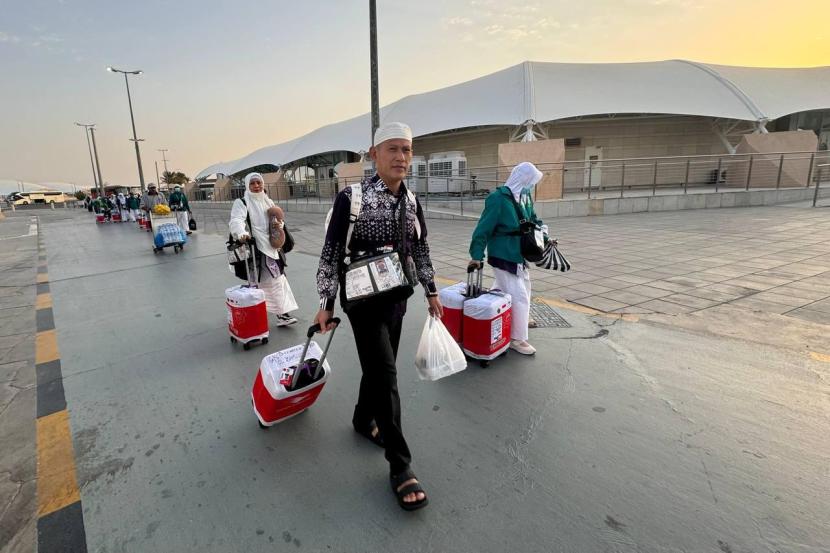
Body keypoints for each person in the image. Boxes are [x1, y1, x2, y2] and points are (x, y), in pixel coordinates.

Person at [314, 122, 443, 512]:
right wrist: (326, 301)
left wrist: (432, 290)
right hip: (362, 303)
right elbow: (331, 252)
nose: (401, 157)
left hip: (397, 300)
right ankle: (400, 466)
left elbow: (420, 250)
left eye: (407, 150)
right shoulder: (351, 199)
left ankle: (360, 419)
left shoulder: (412, 201)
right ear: (374, 154)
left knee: (377, 367)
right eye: (393, 149)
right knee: (387, 374)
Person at [468, 161, 548, 355]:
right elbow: (483, 228)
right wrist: (476, 255)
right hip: (503, 252)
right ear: (522, 178)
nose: (531, 184)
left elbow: (534, 220)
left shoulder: (525, 196)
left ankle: (512, 319)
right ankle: (516, 338)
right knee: (518, 294)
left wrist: (544, 235)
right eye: (530, 180)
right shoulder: (498, 198)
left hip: (519, 252)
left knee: (516, 287)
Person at [229, 173, 298, 327]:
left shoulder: (268, 200)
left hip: (272, 248)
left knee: (277, 279)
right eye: (252, 183)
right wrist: (241, 233)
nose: (256, 186)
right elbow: (236, 220)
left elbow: (276, 220)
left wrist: (279, 227)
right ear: (247, 185)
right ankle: (259, 313)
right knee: (259, 282)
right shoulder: (242, 202)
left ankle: (282, 313)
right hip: (256, 248)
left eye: (258, 182)